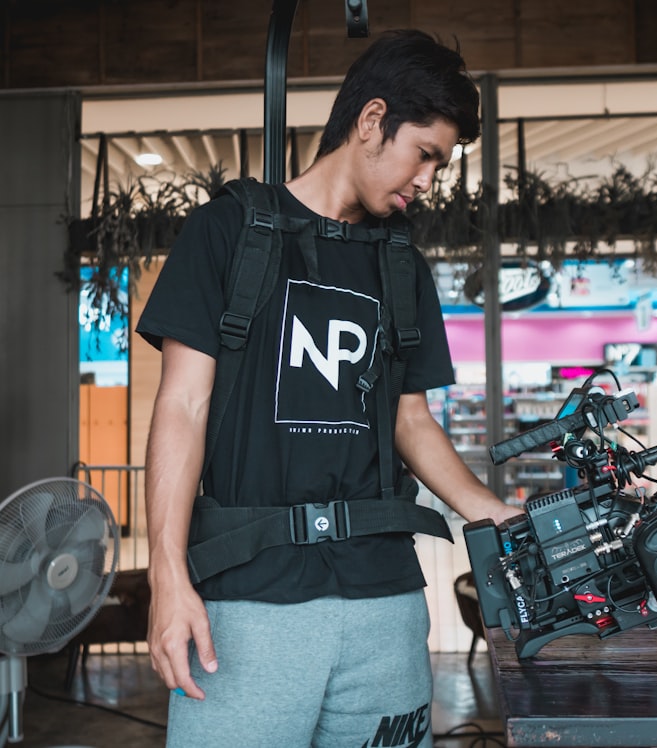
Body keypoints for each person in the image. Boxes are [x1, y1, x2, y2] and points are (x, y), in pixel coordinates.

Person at [137, 29, 521, 747]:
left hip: (387, 607)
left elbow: (412, 420)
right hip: (248, 610)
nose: (429, 179)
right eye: (426, 154)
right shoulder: (226, 233)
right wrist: (166, 576)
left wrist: (486, 511)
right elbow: (182, 409)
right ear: (373, 120)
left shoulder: (404, 268)